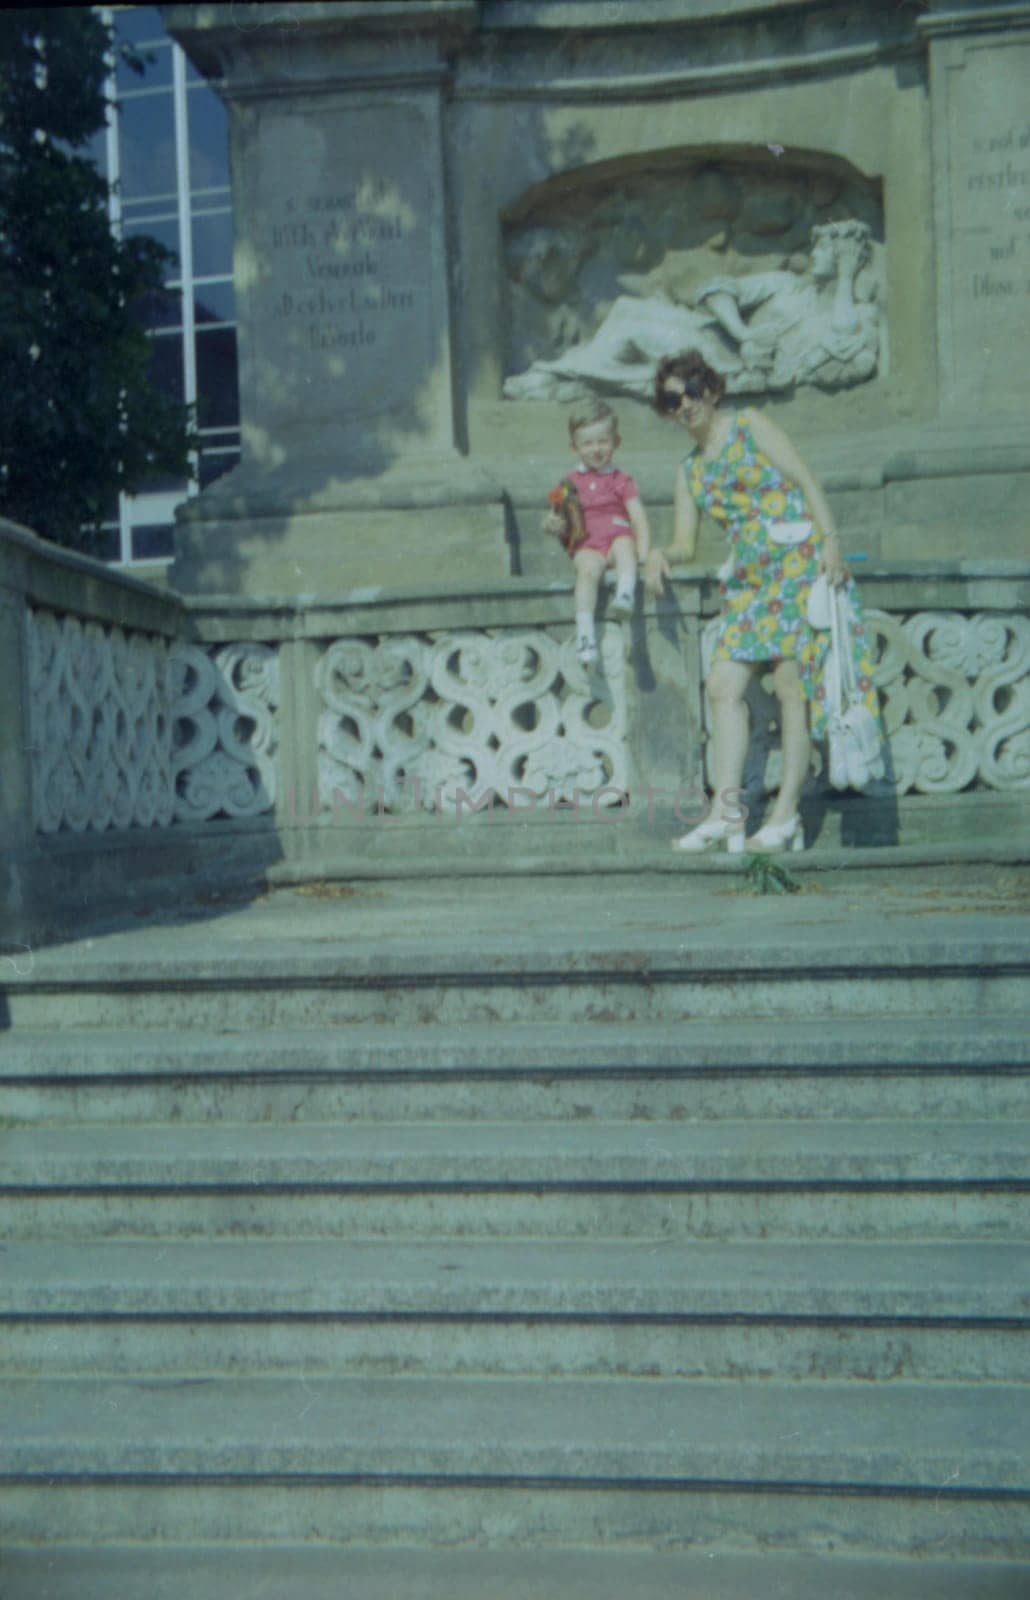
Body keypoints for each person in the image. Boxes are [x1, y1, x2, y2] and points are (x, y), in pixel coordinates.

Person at [644, 348, 878, 852]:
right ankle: (725, 816)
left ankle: (785, 814)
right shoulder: (688, 471)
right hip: (750, 581)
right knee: (722, 685)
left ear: (711, 390)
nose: (685, 405)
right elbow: (686, 542)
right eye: (671, 400)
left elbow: (804, 478)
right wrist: (660, 554)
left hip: (797, 564)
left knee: (793, 684)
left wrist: (832, 541)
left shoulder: (751, 425)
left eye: (692, 391)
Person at [543, 398, 652, 666]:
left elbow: (638, 518)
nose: (596, 449)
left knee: (626, 543)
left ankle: (625, 593)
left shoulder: (621, 479)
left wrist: (644, 555)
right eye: (588, 443)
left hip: (616, 537)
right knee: (587, 570)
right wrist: (552, 523)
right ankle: (585, 635)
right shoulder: (569, 483)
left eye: (603, 441)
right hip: (588, 544)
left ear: (616, 441)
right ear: (574, 447)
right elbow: (557, 514)